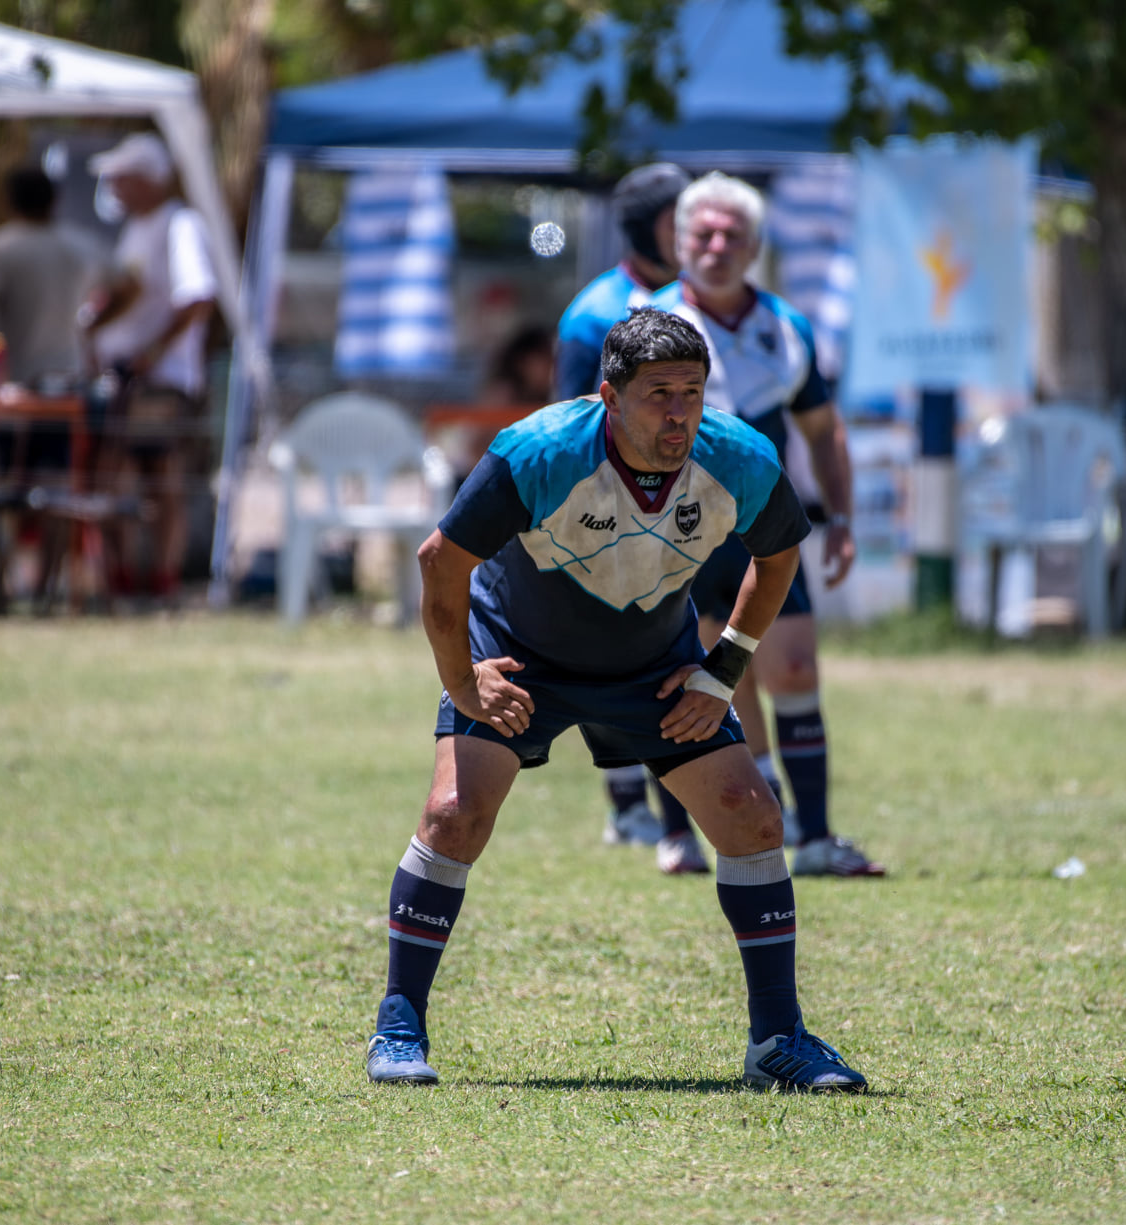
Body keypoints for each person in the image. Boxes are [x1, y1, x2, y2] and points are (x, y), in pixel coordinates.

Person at [364, 309, 868, 1091]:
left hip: (651, 665)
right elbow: (440, 562)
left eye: (692, 392)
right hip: (518, 655)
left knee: (751, 813)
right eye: (659, 393)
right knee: (452, 815)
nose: (678, 411)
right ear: (609, 396)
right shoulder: (537, 452)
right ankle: (399, 1025)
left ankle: (777, 1041)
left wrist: (721, 668)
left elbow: (777, 559)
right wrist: (464, 678)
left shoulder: (739, 458)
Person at [651, 172, 882, 878]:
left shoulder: (786, 327)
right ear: (679, 241)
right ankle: (681, 834)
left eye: (731, 235)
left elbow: (820, 428)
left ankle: (812, 836)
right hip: (672, 531)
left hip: (763, 530)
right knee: (682, 679)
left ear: (754, 247)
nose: (716, 247)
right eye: (703, 234)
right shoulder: (646, 323)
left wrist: (839, 517)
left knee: (791, 667)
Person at [555, 162, 692, 849]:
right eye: (680, 218)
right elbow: (564, 412)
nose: (695, 232)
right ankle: (624, 801)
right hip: (608, 504)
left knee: (668, 638)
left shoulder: (698, 297)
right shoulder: (592, 309)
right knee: (606, 636)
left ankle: (678, 796)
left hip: (686, 503)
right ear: (647, 224)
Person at [0, 165, 109, 599]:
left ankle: (5, 579)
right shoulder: (79, 245)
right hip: (68, 381)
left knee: (6, 485)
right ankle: (46, 583)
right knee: (59, 487)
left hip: (15, 387)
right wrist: (91, 328)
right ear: (54, 200)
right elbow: (128, 283)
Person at [83, 133, 219, 605]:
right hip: (128, 377)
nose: (115, 188)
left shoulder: (179, 223)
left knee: (161, 479)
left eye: (123, 178)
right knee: (119, 474)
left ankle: (161, 581)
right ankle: (124, 578)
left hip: (159, 381)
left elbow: (198, 297)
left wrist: (153, 354)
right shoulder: (138, 227)